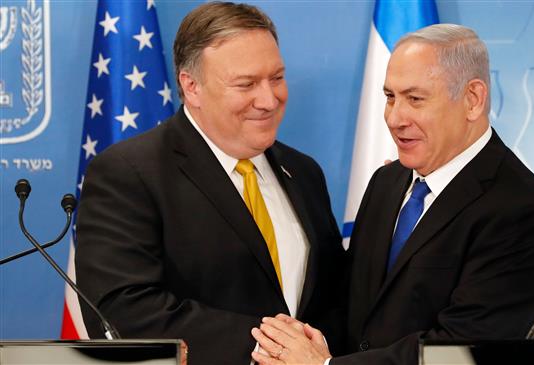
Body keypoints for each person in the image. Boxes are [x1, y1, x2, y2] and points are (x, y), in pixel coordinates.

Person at [251, 23, 534, 365]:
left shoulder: (519, 209)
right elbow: (356, 306)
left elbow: (462, 353)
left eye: (415, 99)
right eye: (390, 97)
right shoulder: (387, 183)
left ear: (472, 100)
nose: (395, 118)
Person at [75, 2, 346, 364]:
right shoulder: (129, 173)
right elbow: (124, 311)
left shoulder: (304, 172)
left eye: (276, 78)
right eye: (246, 84)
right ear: (192, 87)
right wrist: (268, 348)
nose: (269, 99)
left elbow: (332, 296)